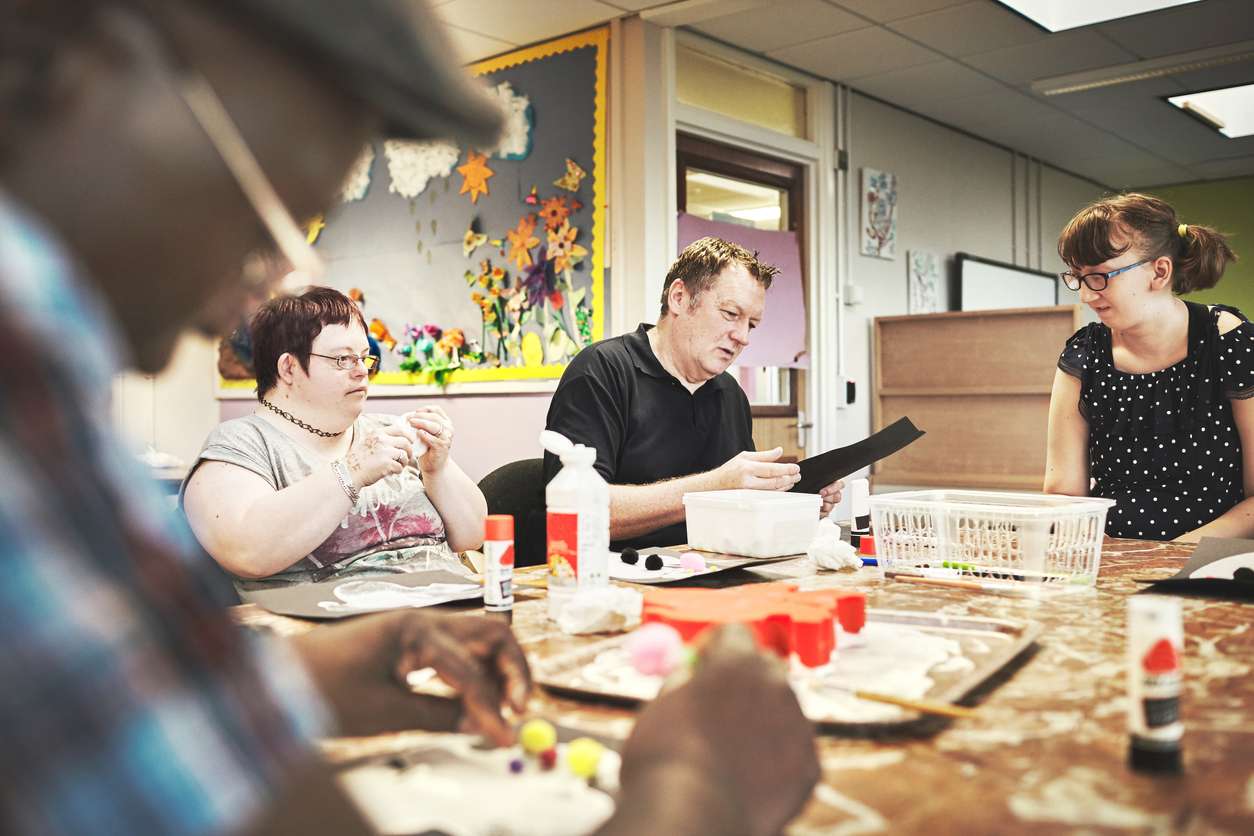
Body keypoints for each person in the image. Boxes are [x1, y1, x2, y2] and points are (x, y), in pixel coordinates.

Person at [0, 2, 819, 835]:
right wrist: (697, 783)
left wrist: (306, 675)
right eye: (273, 205)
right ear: (100, 65)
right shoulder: (20, 346)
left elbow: (98, 697)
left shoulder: (54, 372)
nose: (283, 271)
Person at [544, 236, 844, 550]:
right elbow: (579, 510)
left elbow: (737, 514)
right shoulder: (601, 371)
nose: (743, 337)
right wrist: (717, 486)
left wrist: (797, 505)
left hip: (713, 573)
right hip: (617, 582)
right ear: (679, 298)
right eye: (730, 314)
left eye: (752, 324)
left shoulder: (730, 394)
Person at [183, 286, 486, 592]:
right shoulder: (240, 445)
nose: (361, 373)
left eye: (364, 359)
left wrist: (437, 469)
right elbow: (246, 552)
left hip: (449, 607)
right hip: (340, 629)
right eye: (343, 359)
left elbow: (473, 535)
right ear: (288, 367)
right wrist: (351, 471)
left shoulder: (388, 431)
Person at [1044, 192, 1248, 541]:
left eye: (1101, 276)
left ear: (1160, 271)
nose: (1086, 294)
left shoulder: (1228, 342)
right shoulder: (1085, 353)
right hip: (1108, 556)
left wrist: (1168, 557)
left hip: (1204, 562)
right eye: (1078, 276)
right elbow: (1064, 493)